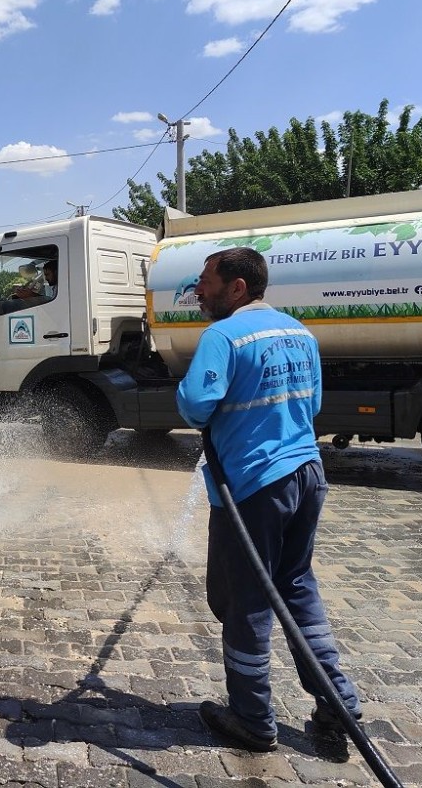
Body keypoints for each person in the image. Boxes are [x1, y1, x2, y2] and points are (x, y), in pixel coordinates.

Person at [176, 247, 361, 752]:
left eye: (207, 281)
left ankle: (252, 717)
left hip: (255, 487)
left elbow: (194, 405)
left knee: (245, 600)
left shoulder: (222, 335)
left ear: (237, 288)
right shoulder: (299, 331)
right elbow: (315, 404)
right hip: (307, 476)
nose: (198, 289)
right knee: (296, 585)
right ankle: (337, 702)